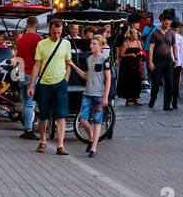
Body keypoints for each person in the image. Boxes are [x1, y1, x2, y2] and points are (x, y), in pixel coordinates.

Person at [27, 17, 86, 154]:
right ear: (49, 30)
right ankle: (42, 141)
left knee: (61, 115)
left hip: (60, 84)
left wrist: (66, 78)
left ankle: (60, 145)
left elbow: (68, 62)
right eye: (54, 33)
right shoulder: (42, 44)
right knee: (43, 115)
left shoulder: (66, 44)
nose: (56, 36)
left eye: (59, 33)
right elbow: (37, 65)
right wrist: (31, 85)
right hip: (44, 83)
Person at [79, 34, 111, 158]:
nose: (91, 45)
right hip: (87, 92)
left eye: (94, 44)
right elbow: (86, 75)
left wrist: (106, 96)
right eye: (91, 43)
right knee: (83, 119)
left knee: (97, 121)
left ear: (101, 46)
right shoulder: (89, 59)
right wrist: (74, 66)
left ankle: (93, 148)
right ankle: (92, 138)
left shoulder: (104, 60)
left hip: (99, 94)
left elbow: (108, 79)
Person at [15, 15, 42, 140]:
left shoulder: (20, 40)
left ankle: (26, 128)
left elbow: (17, 58)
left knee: (25, 102)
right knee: (30, 103)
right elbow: (39, 60)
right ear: (37, 25)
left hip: (21, 73)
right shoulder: (38, 41)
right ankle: (28, 129)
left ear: (26, 26)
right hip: (32, 74)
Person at [148, 12, 177, 111]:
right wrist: (150, 61)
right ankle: (153, 98)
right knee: (155, 82)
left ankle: (167, 104)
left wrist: (176, 58)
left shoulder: (171, 33)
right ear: (161, 22)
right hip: (158, 60)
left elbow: (174, 46)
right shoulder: (155, 33)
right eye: (166, 24)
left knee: (170, 82)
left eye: (169, 24)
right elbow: (151, 47)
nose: (167, 26)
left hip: (168, 60)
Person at [116, 26, 146, 107]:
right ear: (130, 34)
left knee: (137, 80)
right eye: (135, 34)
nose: (136, 35)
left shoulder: (138, 42)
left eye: (137, 34)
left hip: (136, 64)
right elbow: (121, 54)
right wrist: (129, 54)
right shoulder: (126, 43)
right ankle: (128, 99)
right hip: (127, 65)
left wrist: (141, 53)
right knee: (128, 81)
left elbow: (141, 50)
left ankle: (136, 98)